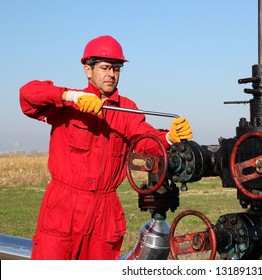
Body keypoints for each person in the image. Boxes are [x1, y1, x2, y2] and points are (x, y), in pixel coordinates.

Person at [19, 35, 193, 260]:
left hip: (105, 210)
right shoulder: (68, 105)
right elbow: (28, 95)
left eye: (117, 68)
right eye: (105, 67)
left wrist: (169, 138)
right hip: (63, 206)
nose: (112, 74)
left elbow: (146, 140)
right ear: (87, 70)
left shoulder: (127, 109)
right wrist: (70, 96)